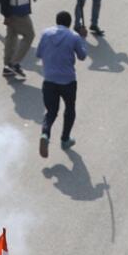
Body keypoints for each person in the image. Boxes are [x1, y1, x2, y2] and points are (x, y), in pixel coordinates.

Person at [34, 12, 88, 157]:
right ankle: (65, 139)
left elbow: (38, 54)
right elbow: (82, 56)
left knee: (51, 111)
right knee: (69, 108)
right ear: (69, 23)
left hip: (49, 80)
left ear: (56, 21)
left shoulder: (45, 34)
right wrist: (83, 38)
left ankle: (45, 134)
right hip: (68, 81)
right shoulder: (73, 36)